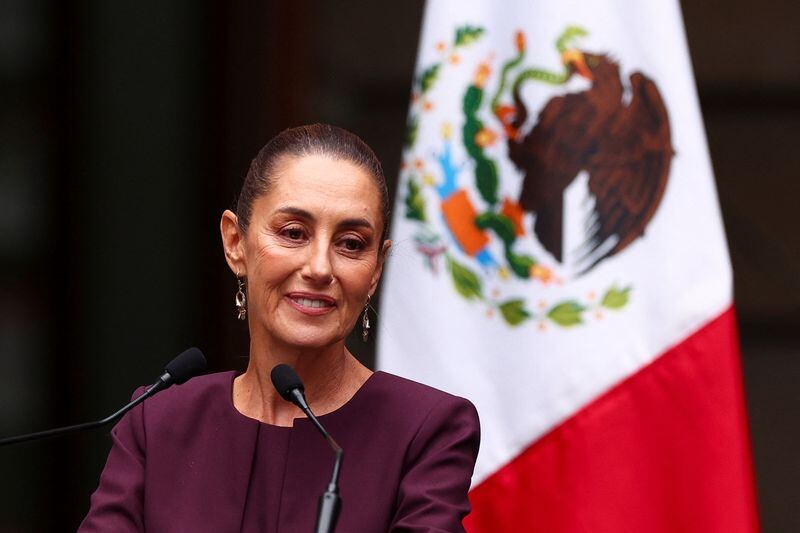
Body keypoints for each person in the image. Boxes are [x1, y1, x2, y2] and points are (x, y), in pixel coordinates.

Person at [79, 124, 480, 532]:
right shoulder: (157, 421)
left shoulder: (427, 431)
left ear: (376, 269)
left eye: (352, 244)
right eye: (294, 233)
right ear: (236, 242)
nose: (320, 268)